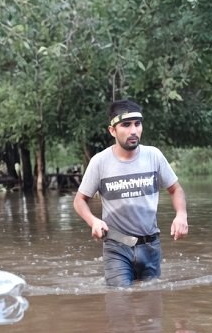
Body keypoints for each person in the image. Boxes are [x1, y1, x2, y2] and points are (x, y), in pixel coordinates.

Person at [73, 99, 189, 287]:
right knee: (119, 304)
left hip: (151, 246)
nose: (133, 130)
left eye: (137, 124)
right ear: (112, 130)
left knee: (151, 307)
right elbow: (79, 200)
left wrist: (181, 215)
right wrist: (93, 221)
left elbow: (175, 189)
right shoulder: (100, 162)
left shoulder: (154, 156)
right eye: (126, 125)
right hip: (116, 247)